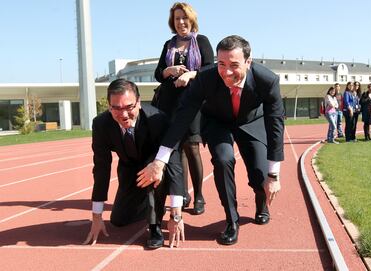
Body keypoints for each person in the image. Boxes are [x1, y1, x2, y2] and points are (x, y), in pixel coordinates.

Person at [138, 35, 284, 246]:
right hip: (218, 122)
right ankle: (231, 221)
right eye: (221, 64)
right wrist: (160, 160)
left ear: (248, 62)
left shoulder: (267, 80)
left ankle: (261, 201)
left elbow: (275, 125)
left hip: (251, 121)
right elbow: (182, 118)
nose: (227, 72)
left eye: (234, 65)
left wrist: (273, 175)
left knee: (259, 175)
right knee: (223, 160)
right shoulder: (205, 78)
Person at [83, 79, 185, 249]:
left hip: (156, 166)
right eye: (116, 108)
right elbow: (101, 167)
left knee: (152, 170)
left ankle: (155, 227)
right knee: (118, 220)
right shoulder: (101, 124)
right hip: (129, 169)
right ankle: (147, 202)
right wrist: (96, 216)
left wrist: (176, 213)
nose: (123, 115)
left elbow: (174, 160)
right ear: (109, 106)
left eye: (129, 107)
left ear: (138, 103)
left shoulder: (157, 119)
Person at [153, 2, 214, 215]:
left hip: (194, 101)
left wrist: (191, 74)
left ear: (191, 19)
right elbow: (158, 72)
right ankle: (183, 193)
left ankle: (199, 195)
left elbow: (210, 68)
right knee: (176, 151)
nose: (181, 23)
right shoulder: (168, 44)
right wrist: (168, 70)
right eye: (177, 19)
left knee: (192, 147)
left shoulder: (202, 41)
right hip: (170, 102)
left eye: (184, 18)